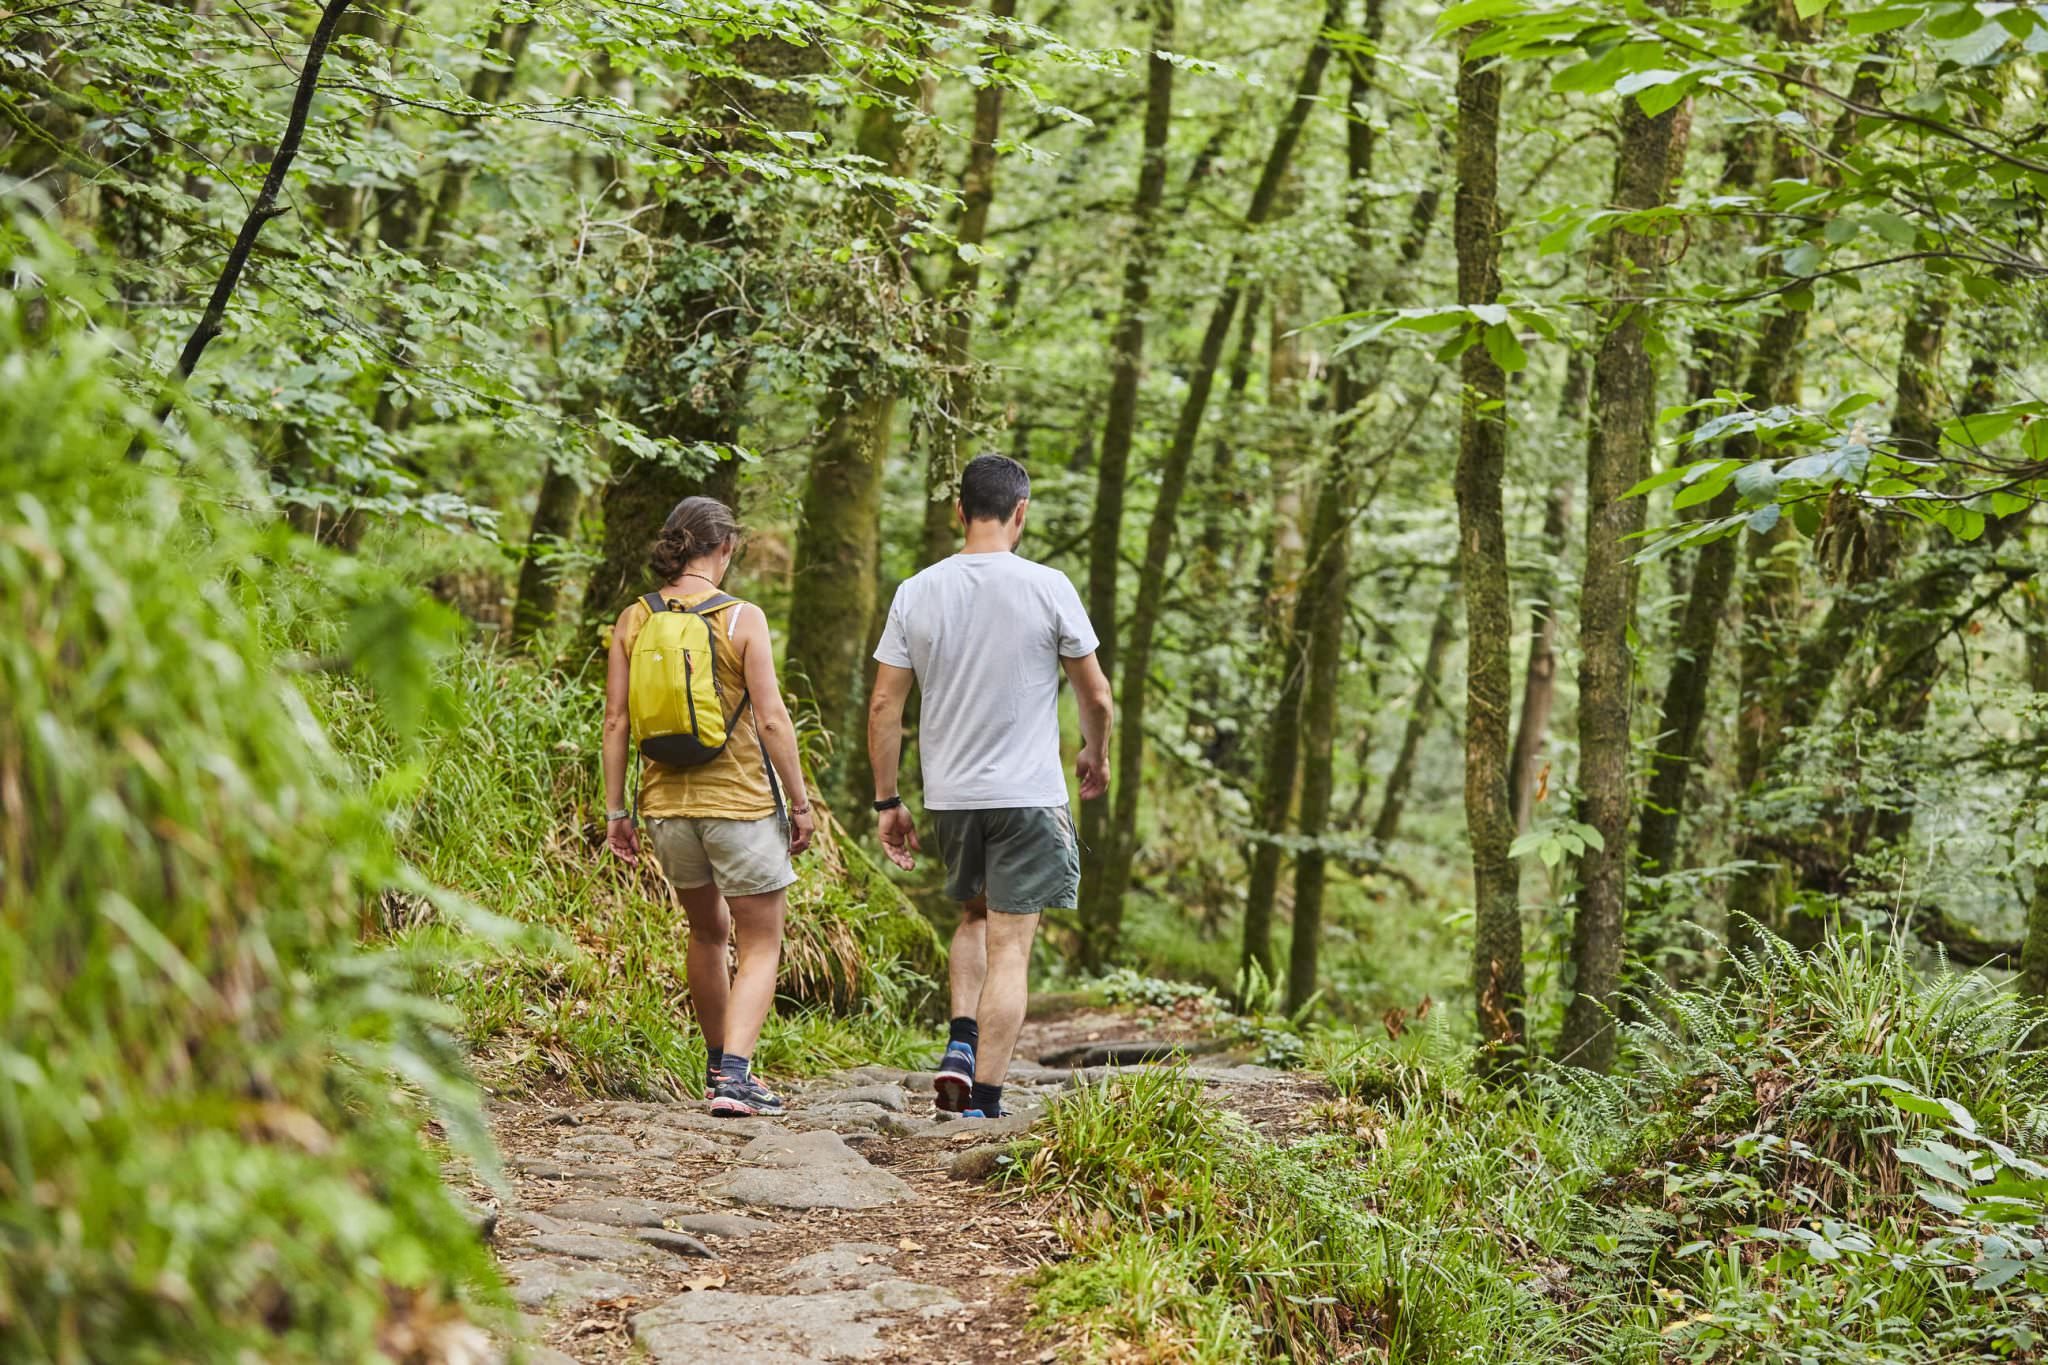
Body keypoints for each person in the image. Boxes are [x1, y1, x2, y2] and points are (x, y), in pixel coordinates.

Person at [867, 455, 1114, 1119]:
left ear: (959, 511)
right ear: (1021, 512)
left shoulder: (917, 590)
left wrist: (889, 801)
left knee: (973, 915)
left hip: (952, 798)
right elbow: (1096, 692)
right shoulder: (1048, 586)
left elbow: (884, 706)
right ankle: (984, 1102)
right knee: (1012, 944)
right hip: (1028, 796)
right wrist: (1095, 751)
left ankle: (959, 1042)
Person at [601, 496, 816, 1117]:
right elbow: (773, 721)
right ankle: (737, 1078)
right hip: (741, 808)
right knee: (761, 943)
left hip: (666, 809)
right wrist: (800, 804)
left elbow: (616, 721)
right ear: (724, 548)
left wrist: (618, 812)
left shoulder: (634, 618)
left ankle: (715, 1063)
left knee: (705, 930)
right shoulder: (742, 618)